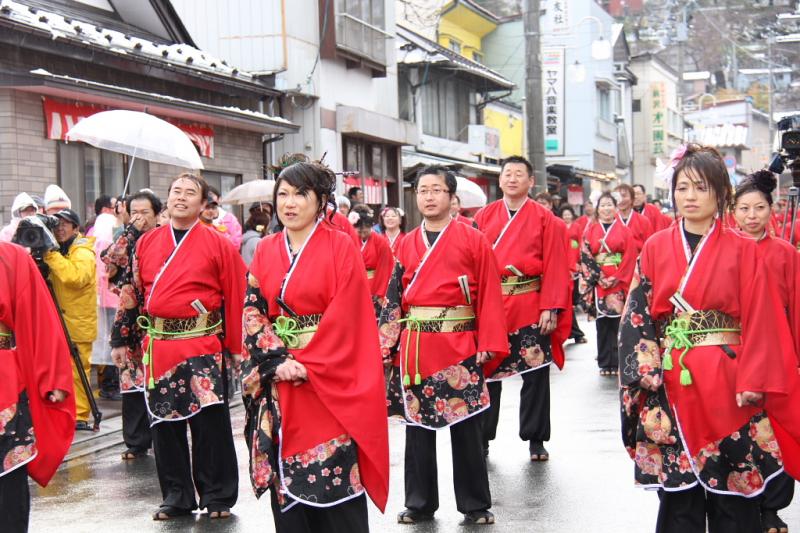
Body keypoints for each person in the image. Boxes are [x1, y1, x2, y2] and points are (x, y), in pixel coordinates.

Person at [618, 144, 800, 533]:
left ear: (720, 193)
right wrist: (645, 366)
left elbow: (762, 319)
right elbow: (637, 314)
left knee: (732, 496)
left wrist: (754, 380)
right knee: (678, 497)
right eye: (682, 188)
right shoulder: (654, 247)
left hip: (728, 383)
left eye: (700, 188)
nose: (690, 197)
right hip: (668, 380)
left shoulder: (744, 251)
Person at [240, 161, 389, 532]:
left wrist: (309, 363)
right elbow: (253, 309)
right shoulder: (266, 248)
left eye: (300, 194)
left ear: (321, 200)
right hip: (280, 377)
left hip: (327, 378)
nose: (289, 203)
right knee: (287, 486)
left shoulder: (340, 245)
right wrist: (276, 359)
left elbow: (349, 313)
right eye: (283, 194)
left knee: (334, 478)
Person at [379, 165, 507, 525]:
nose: (429, 197)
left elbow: (491, 293)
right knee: (418, 428)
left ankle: (475, 504)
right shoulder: (404, 243)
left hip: (460, 341)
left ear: (453, 199)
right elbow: (392, 297)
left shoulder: (473, 239)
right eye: (423, 191)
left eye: (437, 190)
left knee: (466, 426)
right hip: (417, 345)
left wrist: (488, 339)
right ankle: (419, 503)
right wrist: (387, 346)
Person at [117, 173, 245, 520]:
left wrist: (236, 346)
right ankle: (176, 495)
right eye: (176, 191)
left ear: (203, 204)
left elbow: (235, 294)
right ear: (167, 199)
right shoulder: (146, 243)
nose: (182, 198)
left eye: (191, 193)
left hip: (202, 342)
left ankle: (217, 495)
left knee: (209, 424)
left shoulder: (218, 244)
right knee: (164, 424)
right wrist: (122, 339)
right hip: (158, 345)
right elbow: (132, 293)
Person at [474, 155, 573, 463]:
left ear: (531, 182)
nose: (512, 178)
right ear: (500, 180)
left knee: (536, 375)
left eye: (520, 174)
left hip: (530, 303)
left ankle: (536, 438)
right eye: (507, 173)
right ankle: (482, 438)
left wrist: (551, 306)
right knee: (488, 374)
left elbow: (557, 264)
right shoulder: (484, 216)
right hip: (493, 305)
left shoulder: (546, 220)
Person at [733, 170, 800, 533]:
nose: (752, 215)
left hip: (777, 350)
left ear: (772, 210)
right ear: (733, 211)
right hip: (733, 351)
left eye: (760, 207)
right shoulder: (722, 250)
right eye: (744, 208)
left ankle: (773, 506)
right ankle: (745, 502)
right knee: (740, 428)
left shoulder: (785, 253)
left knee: (777, 428)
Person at [0, 242, 75, 533]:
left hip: (3, 377)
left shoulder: (12, 257)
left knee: (8, 468)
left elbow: (40, 318)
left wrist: (53, 376)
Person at [105, 191, 162, 461]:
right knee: (131, 381)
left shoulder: (164, 237)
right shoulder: (125, 237)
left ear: (158, 214)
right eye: (134, 212)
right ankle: (136, 441)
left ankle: (162, 434)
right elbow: (111, 263)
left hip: (157, 318)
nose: (140, 218)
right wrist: (129, 231)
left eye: (145, 212)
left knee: (157, 381)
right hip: (128, 316)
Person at [43, 208, 98, 431]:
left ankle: (81, 415)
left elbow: (74, 277)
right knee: (60, 370)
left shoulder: (83, 251)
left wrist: (50, 255)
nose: (60, 228)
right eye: (57, 225)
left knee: (78, 371)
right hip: (59, 322)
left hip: (78, 324)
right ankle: (66, 411)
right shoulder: (59, 250)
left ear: (76, 228)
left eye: (66, 224)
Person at [579, 193, 636, 376]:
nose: (606, 208)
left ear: (616, 207)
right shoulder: (591, 230)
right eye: (602, 205)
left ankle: (619, 360)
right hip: (599, 281)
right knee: (602, 323)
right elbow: (586, 255)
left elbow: (630, 256)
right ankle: (605, 362)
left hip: (618, 279)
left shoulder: (625, 230)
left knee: (618, 323)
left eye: (609, 205)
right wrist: (599, 276)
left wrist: (617, 277)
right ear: (597, 209)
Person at [88, 196, 121, 401]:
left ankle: (107, 383)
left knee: (105, 339)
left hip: (101, 296)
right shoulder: (111, 233)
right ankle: (110, 384)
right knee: (111, 338)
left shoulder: (92, 233)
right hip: (112, 295)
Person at [351, 204, 394, 318]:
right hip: (353, 286)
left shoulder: (381, 242)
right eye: (359, 232)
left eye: (366, 231)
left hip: (374, 284)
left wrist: (379, 293)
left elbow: (385, 268)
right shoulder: (349, 240)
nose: (362, 234)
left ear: (371, 227)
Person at [560, 205, 587, 344]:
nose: (566, 217)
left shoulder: (576, 227)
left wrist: (579, 261)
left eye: (568, 214)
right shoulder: (558, 225)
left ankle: (575, 332)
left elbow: (581, 242)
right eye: (564, 214)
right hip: (563, 259)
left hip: (573, 257)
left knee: (569, 300)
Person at [615, 184, 653, 254]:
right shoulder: (610, 220)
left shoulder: (644, 221)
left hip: (637, 261)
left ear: (632, 198)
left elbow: (649, 246)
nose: (621, 200)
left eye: (624, 196)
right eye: (618, 197)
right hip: (615, 263)